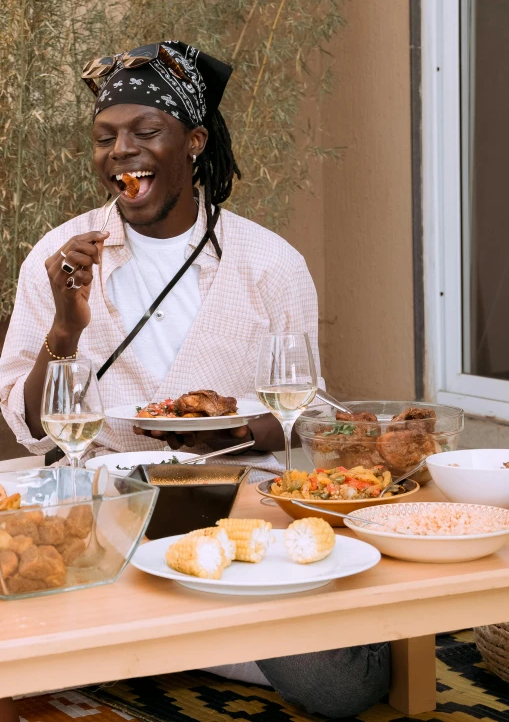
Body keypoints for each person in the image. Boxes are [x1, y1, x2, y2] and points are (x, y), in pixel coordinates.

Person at [0, 40, 390, 718]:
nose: (121, 150)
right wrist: (65, 328)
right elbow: (35, 430)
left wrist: (237, 427)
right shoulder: (60, 258)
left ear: (194, 141)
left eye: (145, 132)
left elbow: (302, 411)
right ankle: (185, 628)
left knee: (342, 687)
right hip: (103, 507)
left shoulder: (268, 264)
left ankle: (128, 639)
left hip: (237, 504)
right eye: (104, 138)